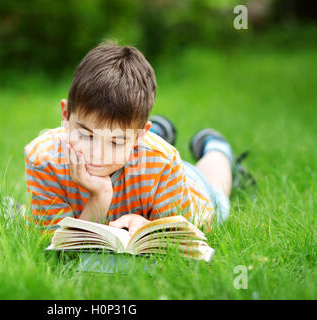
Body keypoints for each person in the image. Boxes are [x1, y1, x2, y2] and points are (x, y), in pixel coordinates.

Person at [24, 41, 253, 236]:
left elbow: (184, 238)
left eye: (115, 142)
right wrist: (100, 197)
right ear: (66, 115)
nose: (97, 153)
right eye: (85, 135)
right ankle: (157, 131)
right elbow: (58, 244)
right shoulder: (44, 159)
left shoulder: (163, 163)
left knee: (216, 190)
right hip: (138, 160)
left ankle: (215, 145)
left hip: (176, 182)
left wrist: (150, 227)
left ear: (139, 135)